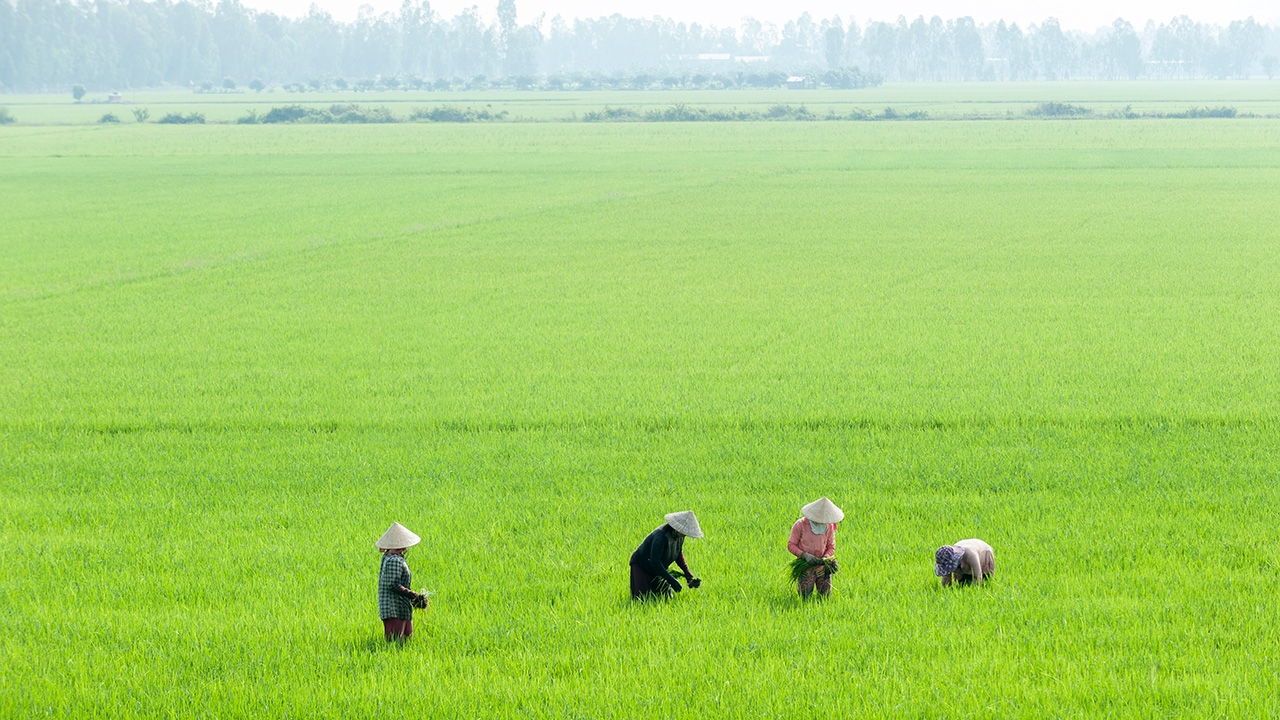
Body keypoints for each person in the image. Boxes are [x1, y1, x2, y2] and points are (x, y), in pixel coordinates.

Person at [629, 511, 703, 600]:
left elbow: (678, 553)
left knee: (664, 598)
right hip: (642, 565)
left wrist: (687, 572)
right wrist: (671, 580)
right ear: (677, 529)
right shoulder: (660, 536)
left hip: (658, 568)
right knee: (641, 599)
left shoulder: (679, 536)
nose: (685, 535)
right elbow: (655, 561)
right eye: (684, 532)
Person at [376, 522, 430, 642]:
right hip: (394, 607)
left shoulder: (390, 557)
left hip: (399, 607)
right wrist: (413, 595)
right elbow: (393, 585)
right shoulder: (394, 560)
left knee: (405, 642)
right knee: (396, 642)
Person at [787, 497, 843, 599]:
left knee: (825, 598)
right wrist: (805, 555)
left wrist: (825, 557)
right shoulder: (800, 525)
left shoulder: (829, 527)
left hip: (823, 567)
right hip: (806, 567)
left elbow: (831, 547)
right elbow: (791, 545)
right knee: (804, 598)